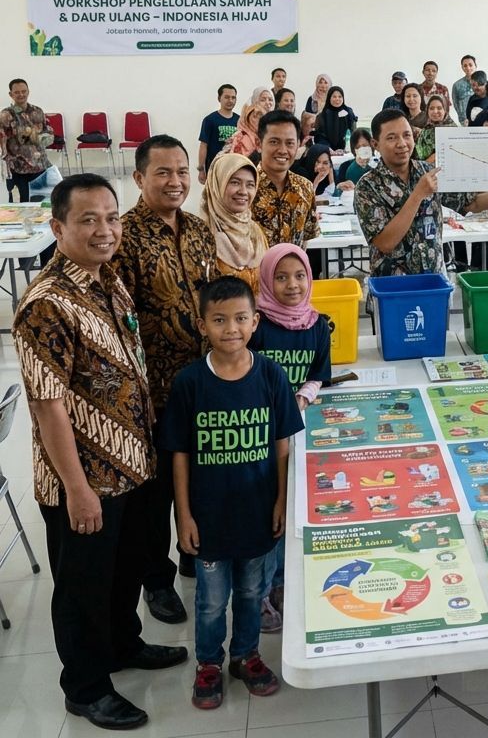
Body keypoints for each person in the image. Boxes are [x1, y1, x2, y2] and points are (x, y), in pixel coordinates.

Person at [14, 175, 187, 731]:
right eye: (88, 220)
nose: (105, 229)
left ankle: (122, 645)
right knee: (83, 587)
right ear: (58, 227)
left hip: (131, 464)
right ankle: (85, 687)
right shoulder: (45, 306)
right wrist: (77, 488)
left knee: (124, 570)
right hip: (84, 480)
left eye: (111, 217)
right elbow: (48, 405)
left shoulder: (107, 280)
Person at [161, 276, 303, 710]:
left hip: (259, 511)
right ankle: (209, 663)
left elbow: (283, 445)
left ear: (255, 321)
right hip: (209, 518)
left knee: (250, 594)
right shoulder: (189, 384)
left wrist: (282, 499)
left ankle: (246, 655)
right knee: (210, 601)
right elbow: (179, 454)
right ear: (203, 324)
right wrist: (183, 515)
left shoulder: (271, 376)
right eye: (219, 320)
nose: (231, 329)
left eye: (241, 319)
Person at [113, 135, 218, 625]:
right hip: (151, 390)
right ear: (139, 178)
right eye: (162, 172)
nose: (175, 181)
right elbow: (119, 322)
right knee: (153, 492)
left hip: (200, 381)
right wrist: (138, 393)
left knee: (198, 475)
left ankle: (196, 549)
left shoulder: (198, 230)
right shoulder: (123, 237)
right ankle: (156, 579)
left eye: (181, 171)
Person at [250, 244, 332, 631]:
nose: (292, 285)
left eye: (299, 276)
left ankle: (281, 583)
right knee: (268, 511)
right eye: (280, 277)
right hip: (262, 433)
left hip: (296, 428)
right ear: (266, 280)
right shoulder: (256, 325)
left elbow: (318, 374)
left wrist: (302, 396)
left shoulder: (318, 325)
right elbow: (243, 373)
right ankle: (261, 591)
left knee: (293, 505)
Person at [354, 108, 488, 276]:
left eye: (407, 135)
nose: (402, 143)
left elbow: (472, 202)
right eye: (391, 138)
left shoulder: (429, 172)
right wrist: (417, 195)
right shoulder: (367, 186)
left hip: (434, 280)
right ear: (375, 144)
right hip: (392, 287)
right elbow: (385, 243)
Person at [199, 152, 269, 294]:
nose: (243, 191)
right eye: (235, 182)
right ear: (217, 184)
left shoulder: (255, 232)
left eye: (250, 185)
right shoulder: (200, 235)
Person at [251, 111, 320, 248]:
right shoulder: (245, 189)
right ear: (258, 144)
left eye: (289, 143)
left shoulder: (305, 187)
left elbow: (305, 240)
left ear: (298, 144)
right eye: (274, 142)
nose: (283, 150)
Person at [1, 77, 52, 201]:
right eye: (17, 92)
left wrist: (36, 138)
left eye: (24, 91)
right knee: (20, 206)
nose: (21, 95)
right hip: (17, 169)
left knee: (41, 205)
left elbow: (49, 136)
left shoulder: (38, 111)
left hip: (40, 166)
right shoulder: (6, 115)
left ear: (28, 91)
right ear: (11, 94)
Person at [197, 84, 239, 184]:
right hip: (214, 168)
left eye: (233, 97)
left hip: (234, 168)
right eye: (227, 97)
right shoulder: (210, 120)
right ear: (219, 98)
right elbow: (203, 145)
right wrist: (201, 169)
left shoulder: (240, 121)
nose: (230, 100)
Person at [314, 85, 358, 154]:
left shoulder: (348, 112)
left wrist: (348, 147)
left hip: (347, 151)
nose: (337, 99)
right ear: (329, 98)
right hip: (328, 152)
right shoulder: (322, 116)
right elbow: (319, 137)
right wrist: (328, 149)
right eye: (334, 96)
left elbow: (354, 133)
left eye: (340, 96)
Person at [413, 94, 456, 162]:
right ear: (427, 111)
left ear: (445, 110)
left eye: (439, 108)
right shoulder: (426, 129)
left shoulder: (453, 130)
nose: (435, 111)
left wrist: (433, 158)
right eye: (431, 108)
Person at [451, 54, 477, 125]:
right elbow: (456, 104)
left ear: (475, 66)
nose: (468, 68)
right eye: (465, 65)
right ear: (462, 67)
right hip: (465, 122)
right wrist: (462, 118)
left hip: (482, 121)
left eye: (470, 65)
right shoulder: (457, 85)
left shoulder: (484, 84)